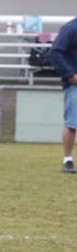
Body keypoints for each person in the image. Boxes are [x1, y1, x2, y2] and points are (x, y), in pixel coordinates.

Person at [50, 16, 77, 173]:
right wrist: (70, 75)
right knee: (72, 124)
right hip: (75, 85)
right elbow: (55, 52)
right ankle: (68, 160)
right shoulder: (71, 29)